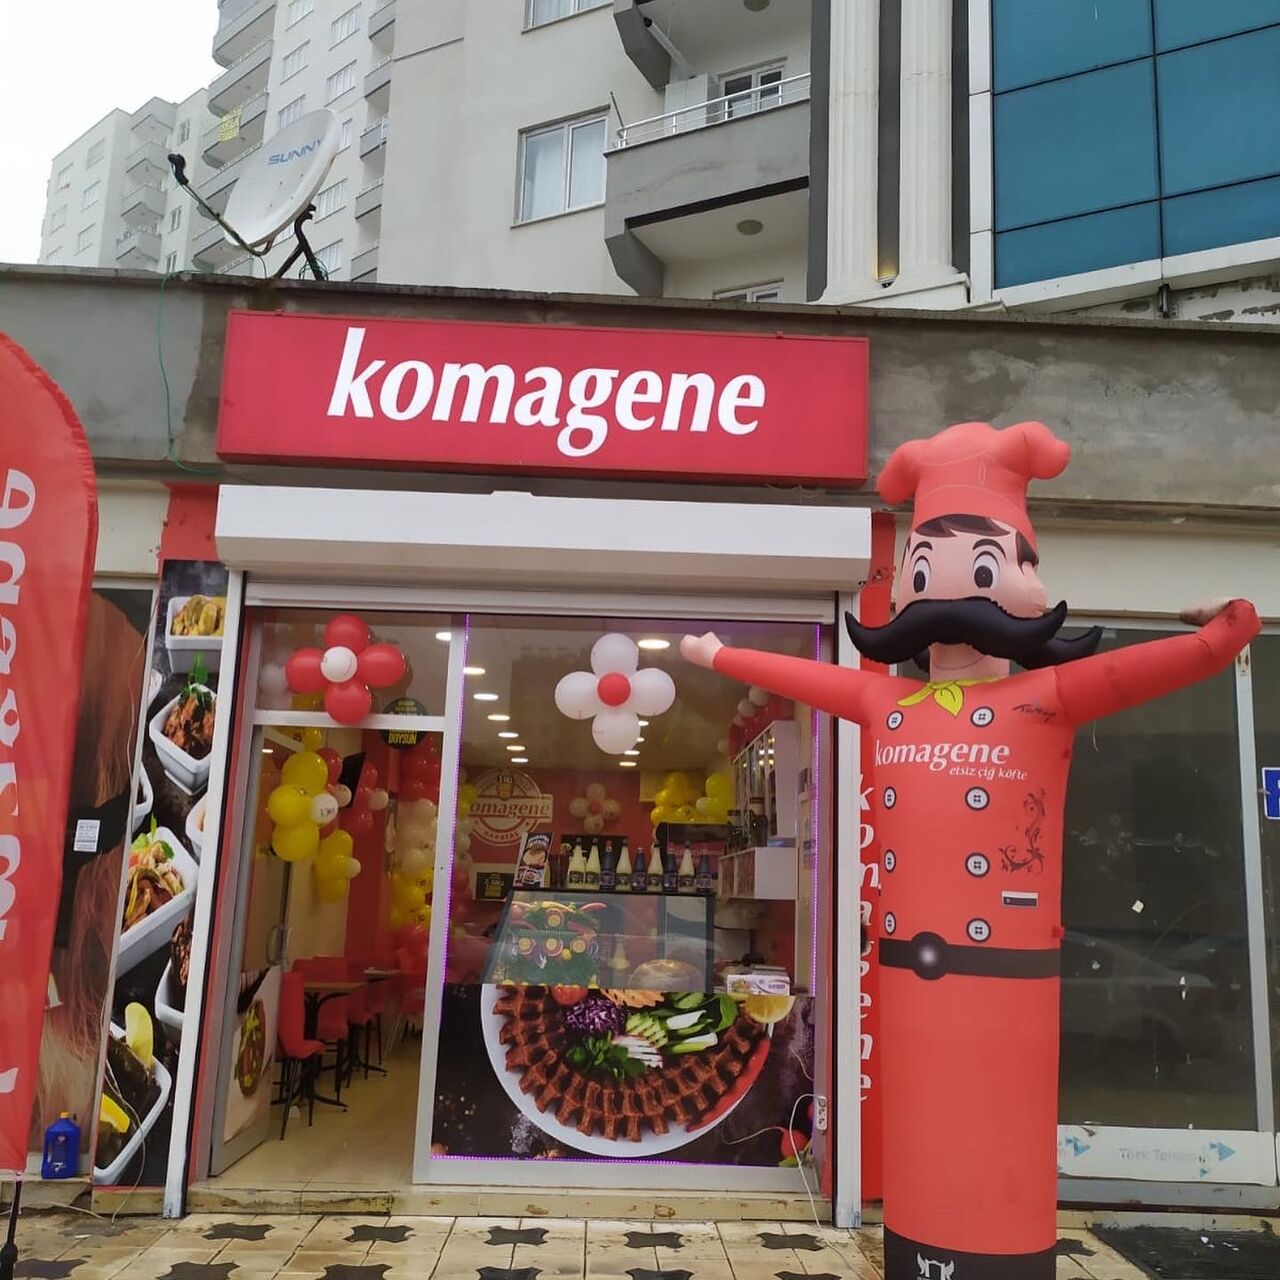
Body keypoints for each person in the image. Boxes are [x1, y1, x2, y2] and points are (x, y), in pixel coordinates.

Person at [682, 421, 1259, 1280]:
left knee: (992, 1148)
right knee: (927, 1136)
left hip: (1012, 984)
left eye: (982, 568)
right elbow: (809, 678)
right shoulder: (888, 704)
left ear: (1023, 577)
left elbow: (1159, 666)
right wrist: (722, 654)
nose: (947, 598)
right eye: (921, 571)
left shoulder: (1046, 698)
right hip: (909, 979)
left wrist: (1228, 630)